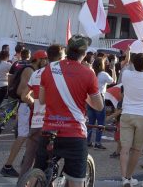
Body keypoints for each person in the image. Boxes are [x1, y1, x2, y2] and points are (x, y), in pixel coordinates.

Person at [36, 36, 103, 187]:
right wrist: (83, 96)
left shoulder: (49, 68)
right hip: (74, 133)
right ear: (84, 53)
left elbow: (41, 100)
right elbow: (99, 106)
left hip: (49, 129)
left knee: (38, 170)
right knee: (76, 181)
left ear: (66, 50)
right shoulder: (88, 74)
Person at [19, 45, 63, 180]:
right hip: (53, 123)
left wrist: (34, 104)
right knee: (51, 159)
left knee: (29, 158)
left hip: (36, 121)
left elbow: (24, 96)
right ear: (61, 57)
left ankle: (22, 182)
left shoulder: (37, 73)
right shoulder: (62, 73)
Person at [0, 49, 43, 177]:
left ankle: (22, 162)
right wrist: (33, 102)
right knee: (23, 136)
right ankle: (8, 166)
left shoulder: (32, 70)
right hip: (26, 106)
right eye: (44, 59)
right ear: (38, 59)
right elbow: (20, 91)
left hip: (27, 106)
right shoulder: (29, 70)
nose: (46, 62)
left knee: (29, 136)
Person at [119, 53, 143, 187]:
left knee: (125, 148)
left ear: (134, 63)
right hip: (142, 115)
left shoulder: (127, 75)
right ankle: (129, 176)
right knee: (137, 149)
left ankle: (124, 178)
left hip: (127, 113)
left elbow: (126, 65)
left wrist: (129, 55)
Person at [88, 57, 114, 149]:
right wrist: (113, 70)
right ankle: (97, 142)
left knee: (90, 122)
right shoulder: (103, 74)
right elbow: (113, 81)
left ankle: (88, 141)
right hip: (99, 98)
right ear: (101, 65)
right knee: (100, 122)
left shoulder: (91, 72)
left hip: (90, 98)